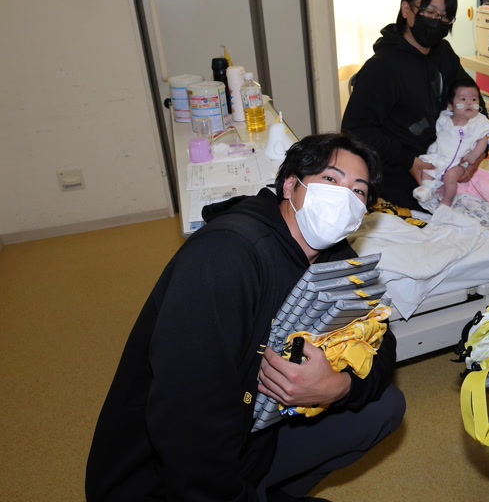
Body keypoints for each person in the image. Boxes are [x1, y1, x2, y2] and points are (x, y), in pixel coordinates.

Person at [85, 133, 405, 502]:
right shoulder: (224, 258)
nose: (344, 197)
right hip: (165, 473)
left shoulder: (335, 254)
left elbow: (383, 341)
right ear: (290, 185)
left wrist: (339, 386)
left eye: (358, 191)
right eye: (331, 179)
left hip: (256, 429)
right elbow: (187, 419)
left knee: (386, 406)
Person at [341, 0, 486, 211]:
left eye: (445, 17)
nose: (437, 21)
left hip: (447, 162)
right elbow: (356, 130)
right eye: (430, 12)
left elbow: (473, 99)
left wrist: (478, 153)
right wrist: (409, 161)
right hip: (400, 171)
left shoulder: (443, 53)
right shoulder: (382, 67)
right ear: (406, 9)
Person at [413, 76, 489, 207]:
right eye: (463, 99)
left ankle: (447, 200)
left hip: (460, 162)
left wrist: (474, 155)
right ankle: (426, 188)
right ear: (450, 105)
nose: (469, 103)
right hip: (440, 156)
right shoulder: (444, 119)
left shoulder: (479, 123)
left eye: (474, 99)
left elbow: (483, 140)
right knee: (426, 166)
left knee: (451, 176)